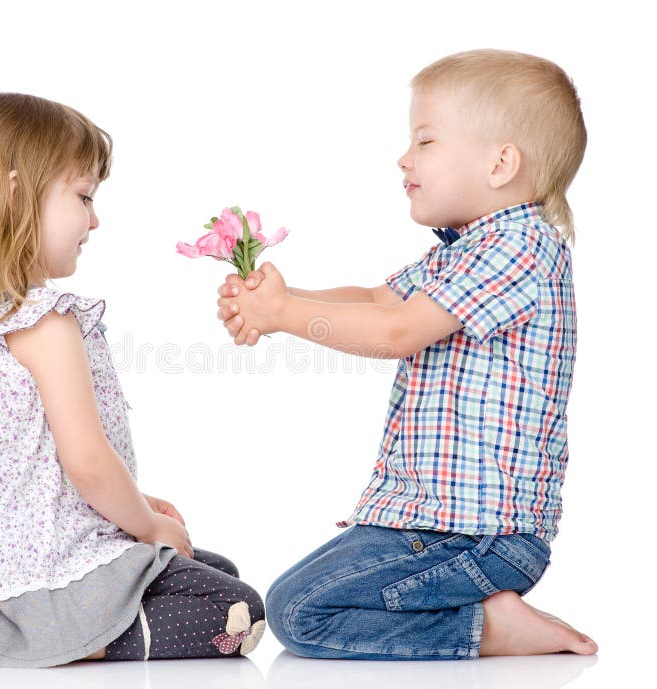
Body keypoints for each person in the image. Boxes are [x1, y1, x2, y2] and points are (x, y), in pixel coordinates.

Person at [215, 49, 598, 660]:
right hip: (430, 522)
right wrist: (283, 301)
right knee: (291, 598)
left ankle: (488, 629)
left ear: (501, 163)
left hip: (475, 532)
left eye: (425, 141)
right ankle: (482, 614)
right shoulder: (462, 250)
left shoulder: (520, 247)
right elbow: (375, 298)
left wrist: (283, 316)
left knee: (299, 613)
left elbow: (396, 331)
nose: (404, 157)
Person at [0, 93, 265, 668]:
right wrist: (147, 527)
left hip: (25, 576)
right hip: (53, 577)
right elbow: (88, 462)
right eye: (83, 196)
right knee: (238, 612)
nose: (95, 219)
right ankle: (38, 641)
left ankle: (15, 629)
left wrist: (143, 506)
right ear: (17, 194)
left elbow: (41, 471)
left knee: (214, 571)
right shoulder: (44, 322)